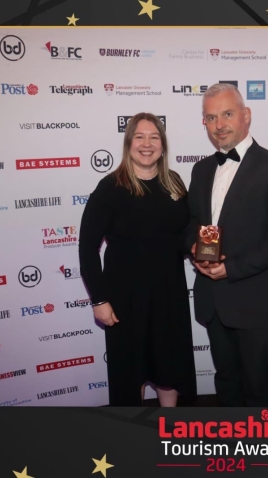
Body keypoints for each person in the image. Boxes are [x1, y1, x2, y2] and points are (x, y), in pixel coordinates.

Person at [187, 83, 268, 407]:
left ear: (246, 116)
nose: (219, 124)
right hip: (213, 301)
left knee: (260, 387)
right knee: (227, 383)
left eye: (227, 114)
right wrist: (196, 250)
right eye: (211, 117)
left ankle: (267, 453)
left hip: (254, 304)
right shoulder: (201, 169)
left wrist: (232, 268)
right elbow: (193, 223)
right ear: (204, 123)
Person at [78, 112, 196, 407]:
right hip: (124, 299)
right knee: (130, 372)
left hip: (169, 294)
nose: (147, 144)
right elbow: (87, 248)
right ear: (128, 143)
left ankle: (169, 430)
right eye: (139, 137)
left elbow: (185, 234)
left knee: (169, 365)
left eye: (154, 137)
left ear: (163, 144)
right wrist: (99, 300)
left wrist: (200, 249)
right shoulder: (110, 188)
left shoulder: (175, 184)